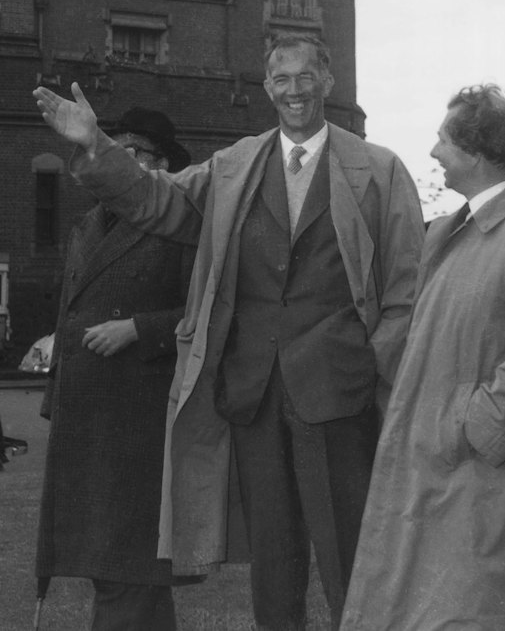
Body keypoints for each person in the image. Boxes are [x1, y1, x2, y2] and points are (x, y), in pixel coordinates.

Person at [33, 34, 425, 631]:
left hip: (339, 396)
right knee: (273, 558)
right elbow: (156, 201)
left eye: (304, 77)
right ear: (267, 87)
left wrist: (369, 362)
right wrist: (97, 145)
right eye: (280, 80)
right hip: (252, 394)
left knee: (351, 555)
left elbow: (408, 292)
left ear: (328, 82)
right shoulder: (235, 165)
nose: (293, 91)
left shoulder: (378, 170)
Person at [340, 84, 505, 631]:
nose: (433, 153)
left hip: (487, 478)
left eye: (443, 141)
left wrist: (472, 426)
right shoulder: (465, 230)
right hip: (453, 472)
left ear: (476, 152)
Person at [35, 107, 198, 631]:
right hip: (84, 416)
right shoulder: (89, 221)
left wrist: (139, 329)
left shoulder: (184, 225)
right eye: (117, 147)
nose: (124, 160)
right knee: (112, 568)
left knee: (126, 565)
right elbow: (70, 309)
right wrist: (53, 397)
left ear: (166, 165)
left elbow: (213, 313)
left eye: (139, 153)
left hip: (142, 420)